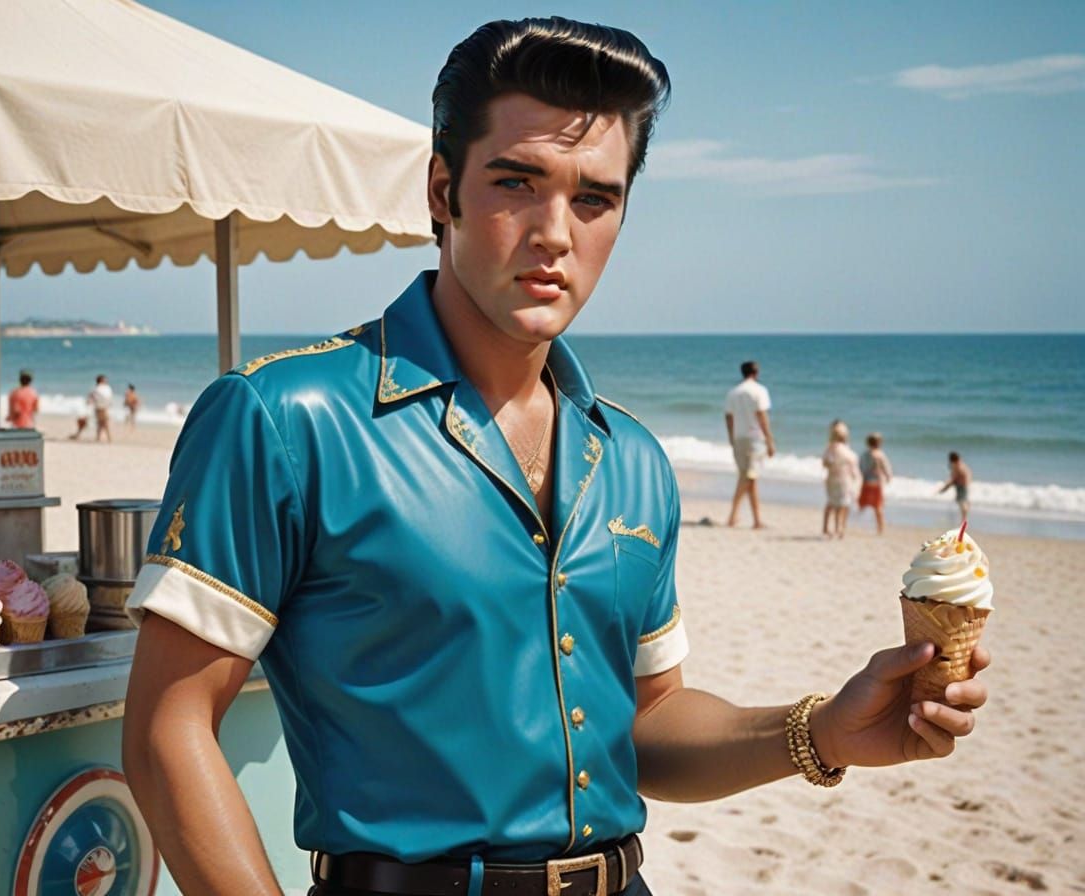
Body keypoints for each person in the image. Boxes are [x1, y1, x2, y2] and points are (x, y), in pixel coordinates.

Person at [122, 19, 989, 896]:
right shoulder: (285, 418)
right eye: (516, 183)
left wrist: (821, 734)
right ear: (441, 190)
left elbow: (647, 723)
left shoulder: (634, 459)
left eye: (594, 199)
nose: (555, 233)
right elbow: (167, 729)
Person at [724, 360, 775, 528]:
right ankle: (733, 515)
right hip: (755, 439)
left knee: (750, 478)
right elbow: (762, 416)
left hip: (739, 438)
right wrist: (770, 440)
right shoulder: (760, 391)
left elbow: (729, 417)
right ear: (756, 373)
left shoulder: (733, 392)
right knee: (748, 477)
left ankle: (756, 520)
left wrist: (731, 437)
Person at [822, 420, 861, 539]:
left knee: (834, 503)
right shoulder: (841, 449)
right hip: (842, 479)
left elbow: (826, 463)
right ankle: (839, 528)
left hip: (834, 478)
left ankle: (831, 527)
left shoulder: (831, 448)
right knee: (843, 504)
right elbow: (853, 464)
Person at [857, 432, 893, 534]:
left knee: (862, 503)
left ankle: (855, 522)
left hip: (866, 482)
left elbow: (860, 466)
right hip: (877, 483)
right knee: (878, 507)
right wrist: (888, 476)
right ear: (880, 443)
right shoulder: (880, 454)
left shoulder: (865, 454)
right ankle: (880, 528)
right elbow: (886, 467)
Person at [940, 451, 972, 518]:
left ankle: (964, 519)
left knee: (961, 502)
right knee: (961, 500)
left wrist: (944, 488)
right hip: (964, 485)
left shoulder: (958, 467)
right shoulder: (961, 464)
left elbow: (953, 480)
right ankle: (964, 517)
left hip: (961, 486)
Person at [88, 374, 113, 442]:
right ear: (101, 380)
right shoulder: (99, 388)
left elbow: (91, 396)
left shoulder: (102, 388)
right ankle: (108, 438)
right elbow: (91, 396)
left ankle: (98, 437)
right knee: (104, 423)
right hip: (100, 407)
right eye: (104, 380)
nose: (106, 381)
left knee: (101, 423)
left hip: (102, 407)